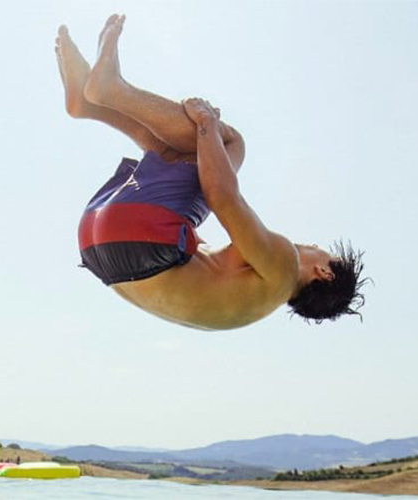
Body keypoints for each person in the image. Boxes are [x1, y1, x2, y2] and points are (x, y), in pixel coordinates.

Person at [55, 14, 367, 330]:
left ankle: (111, 91)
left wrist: (207, 123)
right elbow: (191, 233)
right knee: (183, 157)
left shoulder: (285, 265)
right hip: (99, 247)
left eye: (323, 251)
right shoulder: (250, 298)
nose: (314, 245)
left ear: (323, 272)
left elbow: (223, 198)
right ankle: (92, 104)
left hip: (141, 239)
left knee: (231, 143)